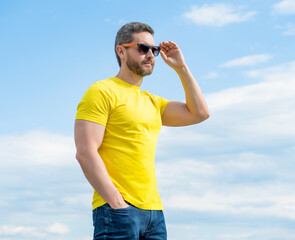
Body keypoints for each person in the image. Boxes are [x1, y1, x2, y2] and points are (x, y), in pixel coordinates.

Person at [74, 22, 209, 240]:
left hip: (154, 214)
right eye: (142, 48)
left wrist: (181, 68)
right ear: (121, 51)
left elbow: (200, 113)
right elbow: (85, 152)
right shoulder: (102, 91)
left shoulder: (153, 102)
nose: (150, 55)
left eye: (153, 50)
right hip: (117, 211)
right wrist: (117, 203)